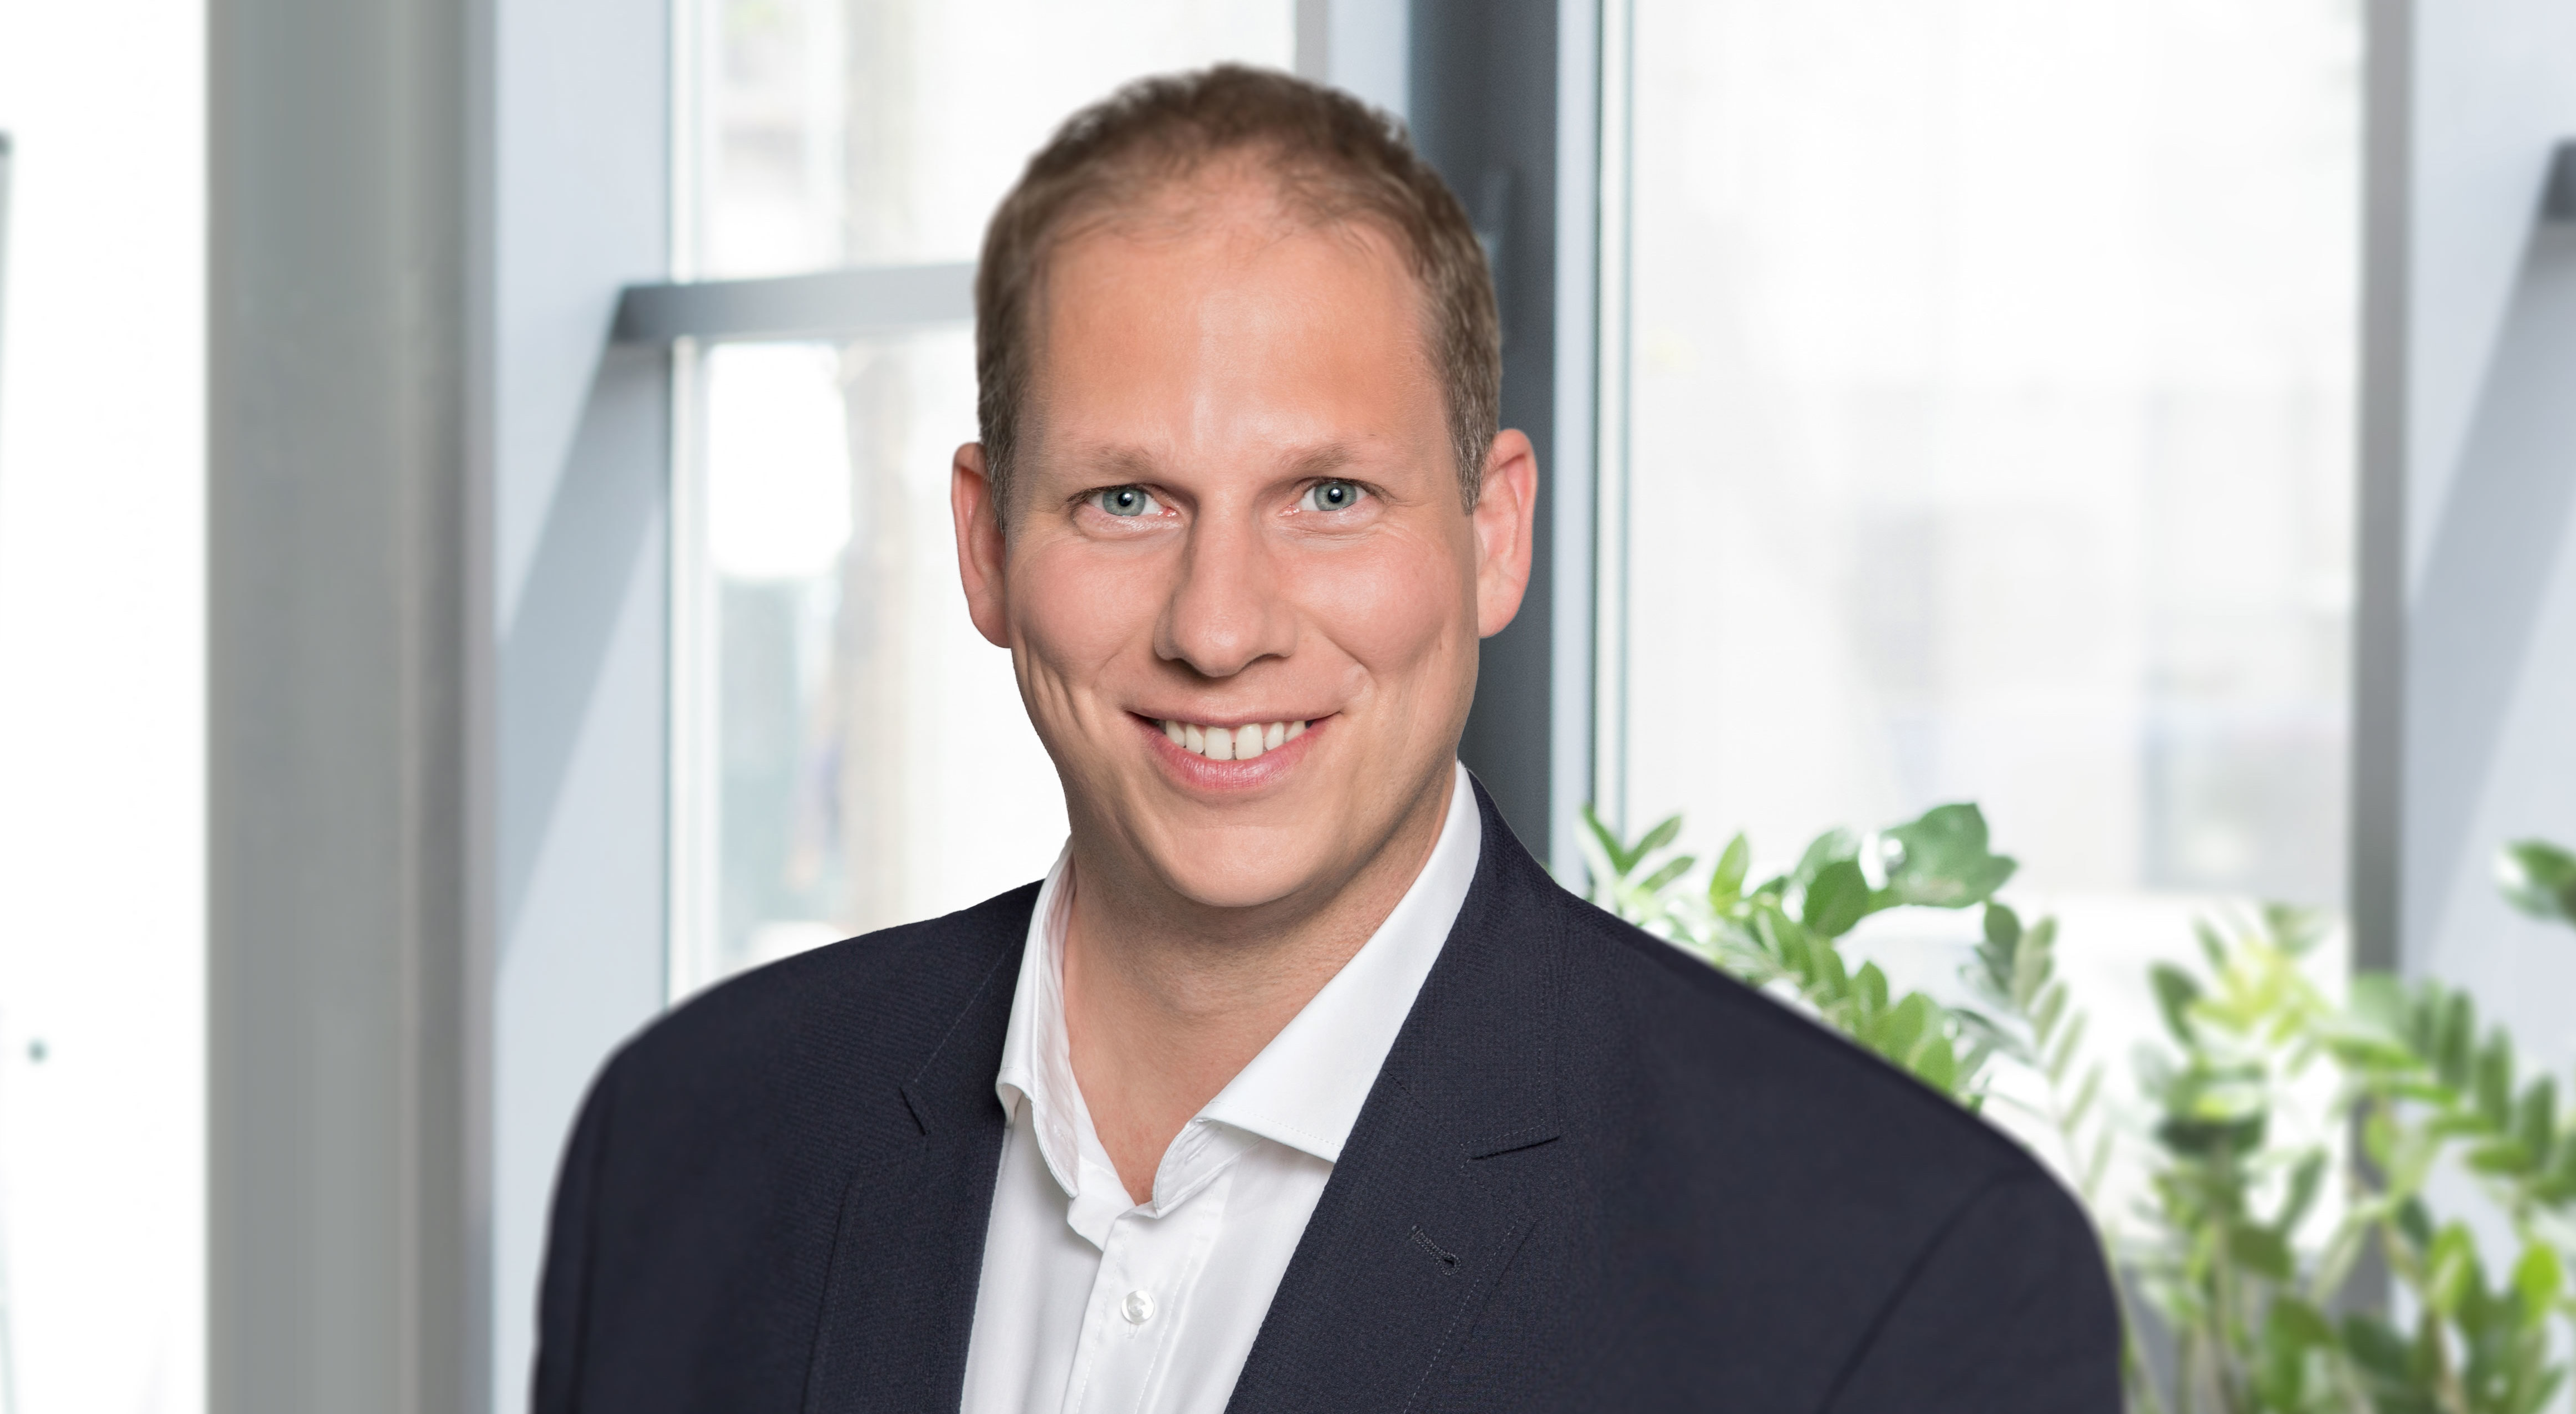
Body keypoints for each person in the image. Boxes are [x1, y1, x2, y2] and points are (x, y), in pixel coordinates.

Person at [534, 64, 2117, 1413]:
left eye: (1330, 496)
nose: (1220, 627)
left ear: (1492, 536)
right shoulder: (685, 1143)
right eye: (1126, 499)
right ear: (985, 546)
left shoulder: (1892, 1275)